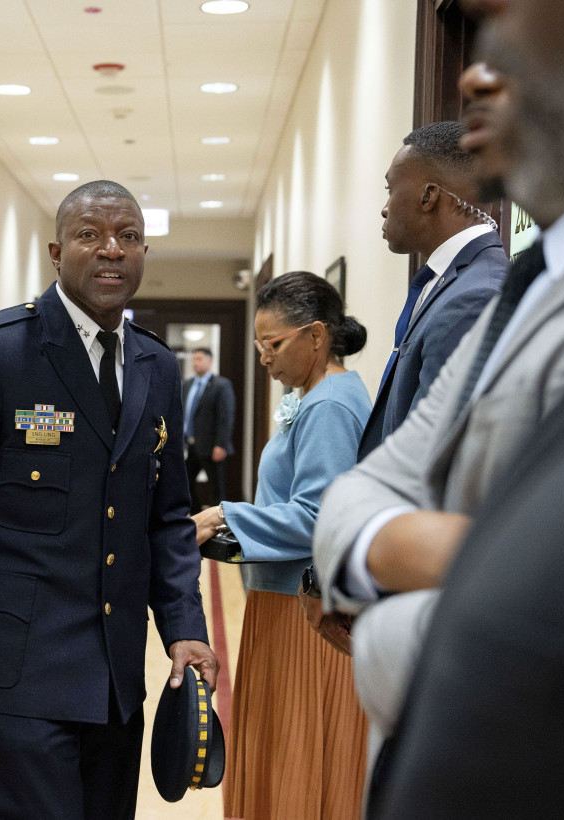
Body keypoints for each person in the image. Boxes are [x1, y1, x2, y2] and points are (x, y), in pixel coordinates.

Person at [312, 0, 564, 804]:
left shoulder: (495, 287)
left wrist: (392, 621)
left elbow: (549, 635)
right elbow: (359, 495)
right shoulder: (529, 284)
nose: (473, 75)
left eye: (512, 40)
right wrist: (452, 555)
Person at [0, 179, 219, 819]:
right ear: (55, 250)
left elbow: (167, 518)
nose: (111, 251)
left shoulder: (154, 366)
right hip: (18, 672)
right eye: (90, 235)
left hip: (117, 677)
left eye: (128, 236)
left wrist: (183, 627)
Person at [191, 271, 370, 820]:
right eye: (257, 346)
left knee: (297, 758)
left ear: (316, 337)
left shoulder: (330, 406)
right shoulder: (315, 395)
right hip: (283, 603)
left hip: (306, 615)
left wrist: (225, 513)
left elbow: (320, 516)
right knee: (279, 751)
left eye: (273, 345)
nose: (264, 359)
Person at [356, 121, 507, 460]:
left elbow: (435, 453)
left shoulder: (475, 295)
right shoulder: (448, 281)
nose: (385, 207)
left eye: (390, 189)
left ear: (429, 196)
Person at [181, 347, 235, 509]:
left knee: (216, 488)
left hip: (212, 446)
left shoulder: (221, 385)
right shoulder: (188, 384)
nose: (195, 363)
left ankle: (218, 526)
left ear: (209, 362)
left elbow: (226, 417)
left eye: (199, 359)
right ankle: (197, 517)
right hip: (191, 445)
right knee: (184, 483)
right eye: (193, 359)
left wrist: (221, 444)